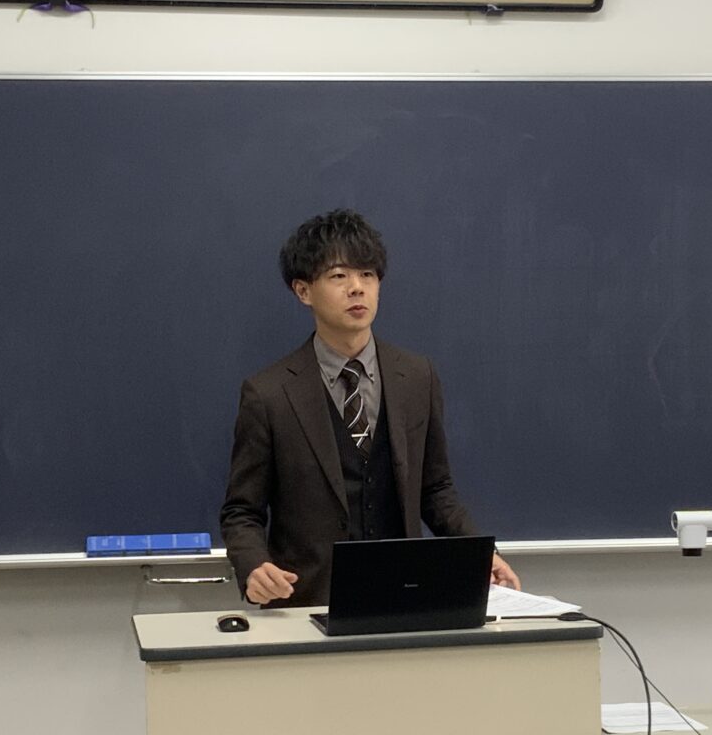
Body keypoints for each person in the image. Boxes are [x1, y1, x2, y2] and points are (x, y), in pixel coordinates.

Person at [220, 209, 520, 607]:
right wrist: (254, 566)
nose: (357, 288)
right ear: (303, 291)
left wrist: (482, 553)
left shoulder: (417, 377)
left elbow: (435, 490)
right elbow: (242, 510)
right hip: (308, 602)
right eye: (338, 276)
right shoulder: (269, 394)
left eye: (367, 275)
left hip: (405, 596)